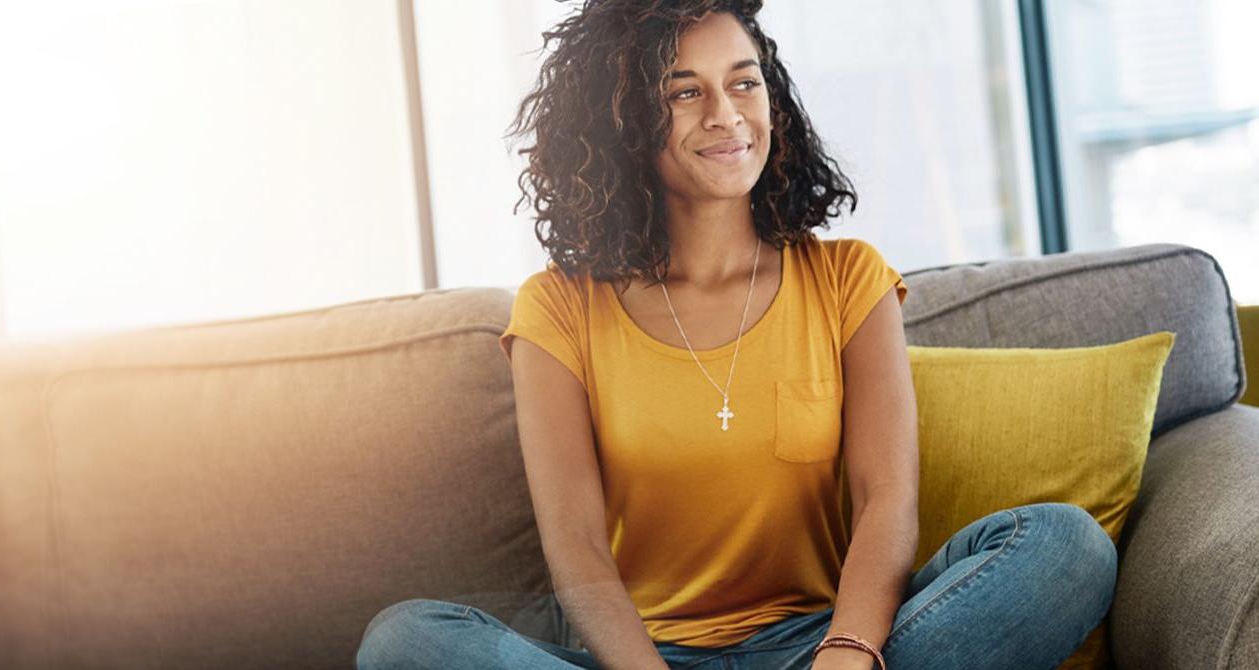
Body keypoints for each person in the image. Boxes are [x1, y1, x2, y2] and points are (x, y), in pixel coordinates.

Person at [355, 1, 1116, 668]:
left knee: (1065, 549)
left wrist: (849, 655)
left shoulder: (848, 278)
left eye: (743, 82)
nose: (725, 115)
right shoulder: (558, 309)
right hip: (643, 659)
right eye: (685, 93)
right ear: (621, 122)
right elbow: (578, 546)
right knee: (406, 642)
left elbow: (887, 498)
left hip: (823, 645)